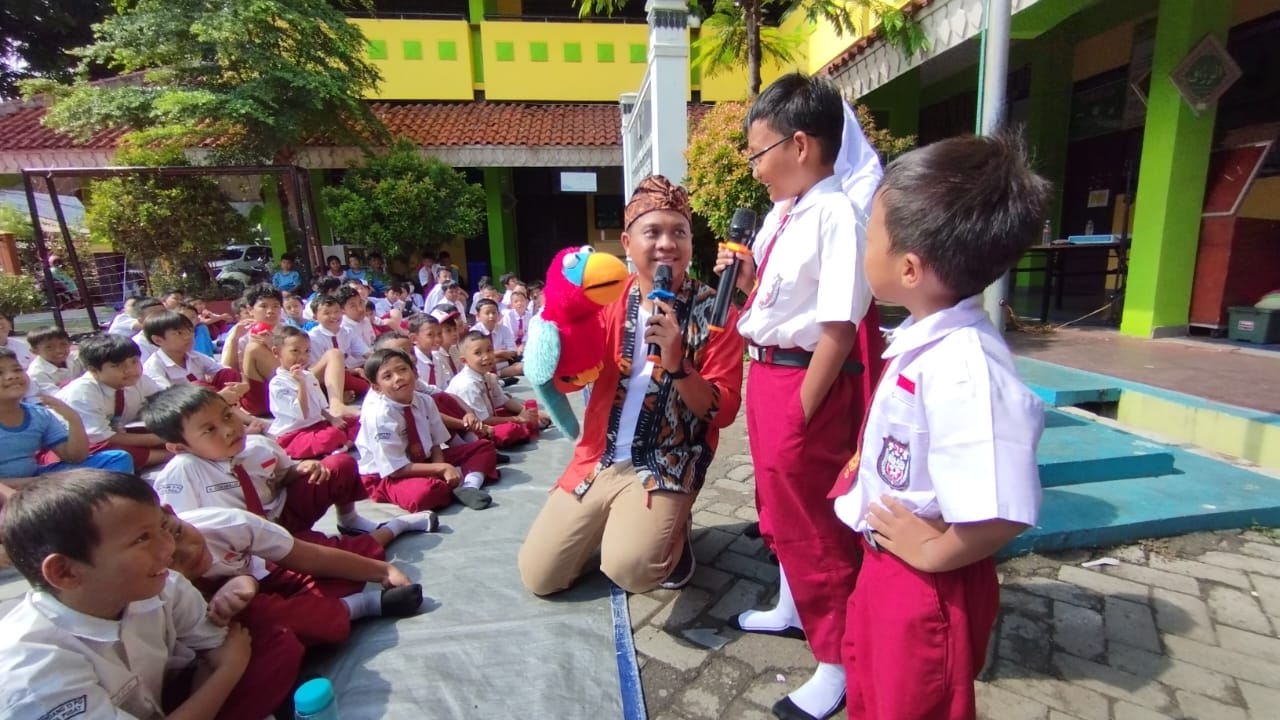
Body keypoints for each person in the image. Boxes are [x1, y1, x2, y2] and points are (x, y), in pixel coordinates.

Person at [831, 132, 1049, 720]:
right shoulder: (928, 340)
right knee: (873, 696)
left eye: (869, 235)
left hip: (927, 587)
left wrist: (933, 553)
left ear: (908, 268)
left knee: (913, 705)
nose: (862, 247)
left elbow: (1003, 506)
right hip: (887, 566)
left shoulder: (966, 367)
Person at [713, 73, 886, 720]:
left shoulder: (838, 213)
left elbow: (839, 328)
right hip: (770, 374)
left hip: (803, 381)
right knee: (778, 512)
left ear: (803, 144)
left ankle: (837, 663)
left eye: (760, 153)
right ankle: (793, 606)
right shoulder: (788, 211)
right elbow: (783, 296)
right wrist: (744, 273)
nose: (755, 170)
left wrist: (802, 413)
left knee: (815, 528)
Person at [517, 175, 745, 596]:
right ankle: (623, 522)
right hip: (600, 456)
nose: (667, 244)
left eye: (679, 232)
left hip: (669, 459)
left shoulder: (717, 312)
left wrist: (678, 366)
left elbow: (724, 410)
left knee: (632, 570)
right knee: (540, 577)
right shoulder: (605, 300)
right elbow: (571, 375)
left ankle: (674, 530)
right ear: (626, 241)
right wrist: (551, 343)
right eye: (652, 232)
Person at [0, 469, 287, 720]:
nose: (168, 549)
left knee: (275, 638)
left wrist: (221, 663)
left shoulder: (164, 586)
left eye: (162, 529)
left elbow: (215, 648)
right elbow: (226, 659)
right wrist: (228, 671)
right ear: (65, 572)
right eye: (142, 539)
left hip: (169, 701)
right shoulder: (33, 672)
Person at [166, 505, 425, 654]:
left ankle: (392, 528)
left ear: (170, 512)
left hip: (265, 567)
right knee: (266, 630)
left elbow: (308, 557)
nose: (189, 552)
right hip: (227, 618)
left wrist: (383, 570)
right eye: (169, 559)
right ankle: (357, 606)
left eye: (177, 533)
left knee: (341, 565)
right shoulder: (152, 587)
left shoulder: (225, 523)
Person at [356, 348, 495, 511]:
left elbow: (435, 444)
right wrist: (442, 469)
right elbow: (395, 470)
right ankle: (453, 482)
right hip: (386, 475)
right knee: (425, 493)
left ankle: (470, 487)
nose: (399, 378)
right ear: (377, 388)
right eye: (388, 376)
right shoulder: (379, 416)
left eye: (403, 370)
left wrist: (439, 468)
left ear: (414, 372)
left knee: (483, 447)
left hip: (423, 461)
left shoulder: (425, 401)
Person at [0, 348, 133, 502]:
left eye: (17, 370)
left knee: (116, 459)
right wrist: (33, 486)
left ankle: (98, 508)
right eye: (0, 373)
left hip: (35, 480)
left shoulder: (38, 414)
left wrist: (73, 418)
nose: (12, 377)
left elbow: (75, 457)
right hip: (11, 491)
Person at [56, 333, 170, 471]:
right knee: (117, 454)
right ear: (93, 370)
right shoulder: (82, 393)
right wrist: (158, 439)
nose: (130, 370)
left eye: (134, 361)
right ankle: (169, 455)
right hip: (75, 445)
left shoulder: (139, 380)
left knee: (174, 430)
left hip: (115, 433)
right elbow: (102, 438)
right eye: (117, 365)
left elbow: (164, 403)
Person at [267, 325, 357, 459]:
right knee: (331, 436)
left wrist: (332, 419)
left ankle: (344, 445)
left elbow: (319, 406)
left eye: (307, 351)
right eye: (295, 351)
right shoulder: (278, 383)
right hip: (295, 433)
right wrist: (301, 384)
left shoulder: (308, 375)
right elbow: (301, 414)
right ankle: (345, 443)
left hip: (317, 425)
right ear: (277, 352)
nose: (302, 357)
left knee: (358, 421)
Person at [444, 332, 537, 447]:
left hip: (489, 417)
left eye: (489, 350)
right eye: (478, 353)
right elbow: (484, 420)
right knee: (510, 431)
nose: (486, 356)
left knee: (520, 413)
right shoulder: (467, 384)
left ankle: (525, 425)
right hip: (473, 429)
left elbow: (503, 401)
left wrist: (526, 412)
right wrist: (519, 419)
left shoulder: (487, 376)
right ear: (464, 361)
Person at [472, 298, 523, 379]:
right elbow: (478, 357)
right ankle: (493, 376)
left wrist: (491, 356)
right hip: (483, 367)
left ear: (498, 314)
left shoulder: (504, 329)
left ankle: (497, 375)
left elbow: (512, 352)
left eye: (494, 313)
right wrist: (499, 353)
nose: (491, 316)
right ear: (478, 316)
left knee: (521, 367)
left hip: (501, 365)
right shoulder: (474, 332)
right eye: (487, 313)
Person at [25, 326, 82, 395]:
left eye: (63, 344)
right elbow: (58, 398)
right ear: (35, 351)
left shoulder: (76, 358)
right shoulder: (36, 374)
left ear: (70, 344)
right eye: (49, 347)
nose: (59, 350)